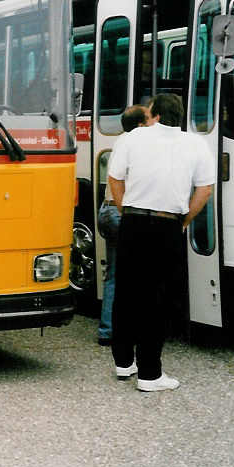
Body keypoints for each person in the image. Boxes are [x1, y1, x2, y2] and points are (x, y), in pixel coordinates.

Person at [106, 93, 215, 392]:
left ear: (153, 113)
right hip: (169, 224)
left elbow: (115, 179)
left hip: (133, 220)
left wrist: (125, 210)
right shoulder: (196, 144)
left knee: (126, 291)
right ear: (179, 115)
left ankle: (124, 362)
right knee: (157, 298)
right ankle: (150, 375)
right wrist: (185, 221)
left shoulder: (131, 138)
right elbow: (205, 189)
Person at [96, 104, 150, 346]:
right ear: (140, 124)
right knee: (137, 276)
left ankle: (108, 330)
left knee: (115, 275)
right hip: (122, 212)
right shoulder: (138, 144)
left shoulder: (121, 141)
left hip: (107, 210)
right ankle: (135, 330)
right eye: (149, 119)